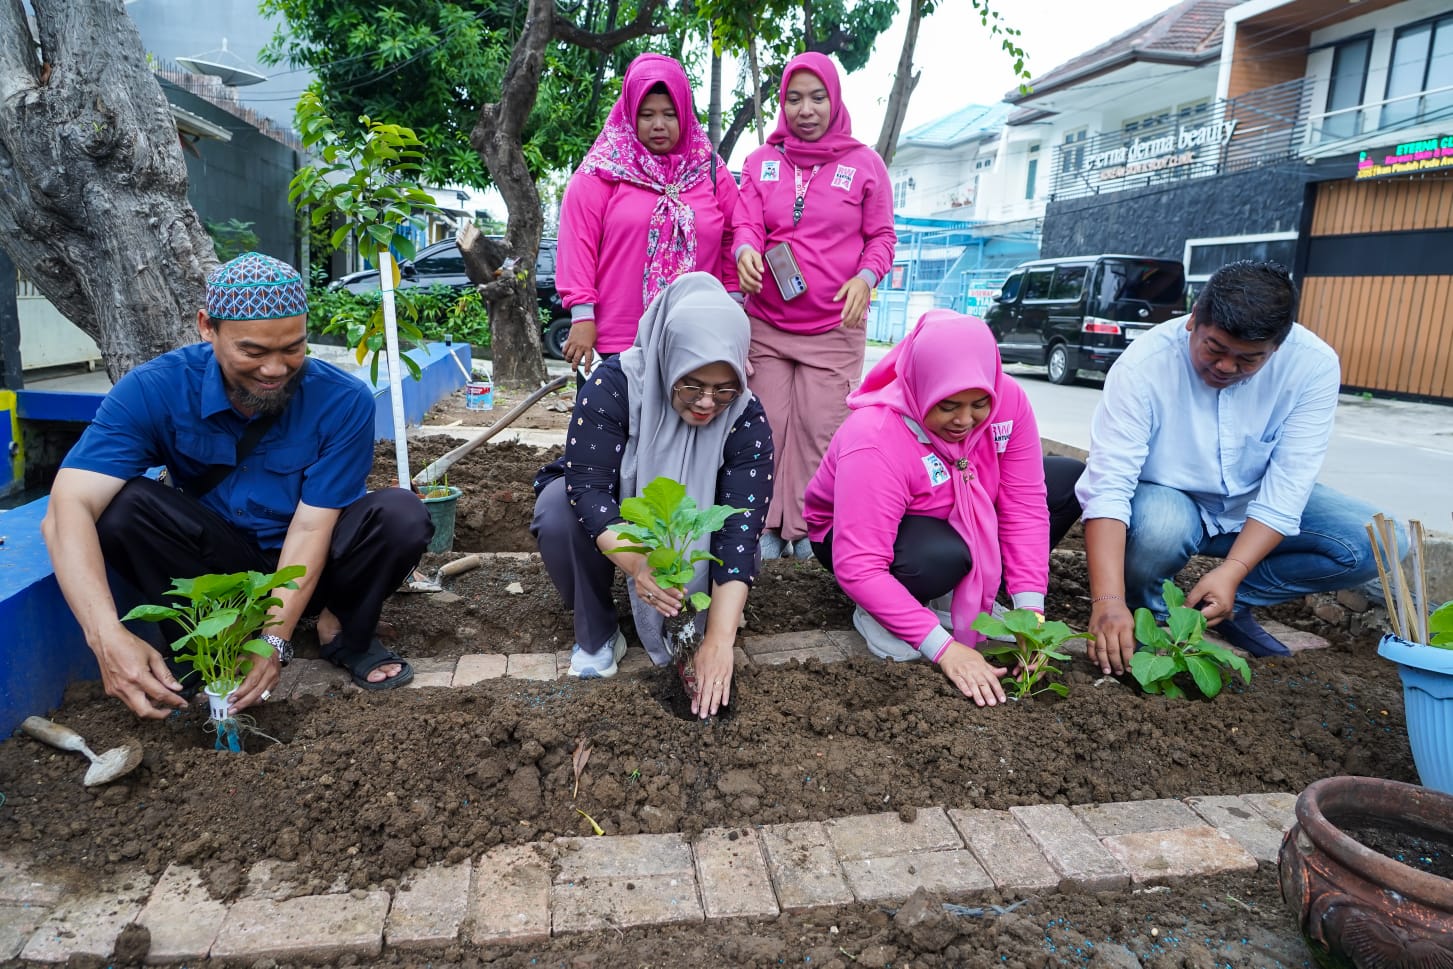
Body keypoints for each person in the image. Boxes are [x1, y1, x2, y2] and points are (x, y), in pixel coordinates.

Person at [41, 252, 432, 720]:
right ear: (207, 327)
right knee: (124, 507)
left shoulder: (342, 400)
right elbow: (67, 508)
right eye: (253, 351)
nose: (275, 369)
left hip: (313, 556)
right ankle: (205, 645)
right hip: (219, 567)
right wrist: (105, 634)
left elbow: (311, 529)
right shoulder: (154, 389)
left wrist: (272, 641)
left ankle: (343, 628)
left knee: (400, 515)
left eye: (293, 347)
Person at [1077, 260, 1384, 674]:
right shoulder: (1144, 366)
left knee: (1376, 542)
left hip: (1250, 505)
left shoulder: (1312, 366)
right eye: (1215, 349)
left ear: (1279, 345)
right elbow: (1109, 487)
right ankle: (1148, 618)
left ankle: (1221, 606)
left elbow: (1289, 485)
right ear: (1193, 320)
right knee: (1159, 528)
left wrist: (1234, 572)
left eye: (1248, 360)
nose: (1225, 367)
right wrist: (1107, 602)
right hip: (1170, 504)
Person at [803, 310, 1084, 706]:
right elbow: (859, 564)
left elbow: (1026, 506)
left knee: (1066, 481)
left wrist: (1030, 614)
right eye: (949, 405)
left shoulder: (1009, 401)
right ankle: (888, 611)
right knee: (942, 556)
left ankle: (969, 597)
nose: (965, 420)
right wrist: (944, 649)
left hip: (953, 511)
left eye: (979, 403)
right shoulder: (876, 437)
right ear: (921, 386)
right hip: (853, 535)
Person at [530, 272, 773, 718]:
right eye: (691, 384)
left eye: (723, 388)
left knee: (725, 552)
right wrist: (641, 564)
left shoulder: (745, 416)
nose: (706, 403)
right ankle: (599, 631)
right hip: (615, 511)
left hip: (684, 537)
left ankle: (701, 621)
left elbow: (741, 528)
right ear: (667, 359)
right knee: (558, 508)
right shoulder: (616, 385)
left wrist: (719, 642)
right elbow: (588, 490)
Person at [733, 51, 896, 560]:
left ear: (835, 99)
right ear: (782, 104)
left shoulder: (865, 164)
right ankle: (760, 525)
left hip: (834, 327)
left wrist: (866, 279)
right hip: (768, 323)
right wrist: (744, 250)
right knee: (766, 426)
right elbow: (747, 223)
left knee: (820, 430)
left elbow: (882, 238)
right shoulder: (761, 162)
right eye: (795, 98)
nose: (806, 109)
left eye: (817, 97)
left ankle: (806, 528)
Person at [557, 53, 741, 376]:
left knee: (687, 428)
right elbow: (578, 246)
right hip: (614, 345)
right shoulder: (601, 172)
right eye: (647, 114)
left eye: (670, 114)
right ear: (630, 114)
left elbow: (734, 238)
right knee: (614, 427)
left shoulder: (710, 172)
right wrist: (582, 317)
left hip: (697, 343)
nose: (659, 125)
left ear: (685, 114)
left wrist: (734, 314)